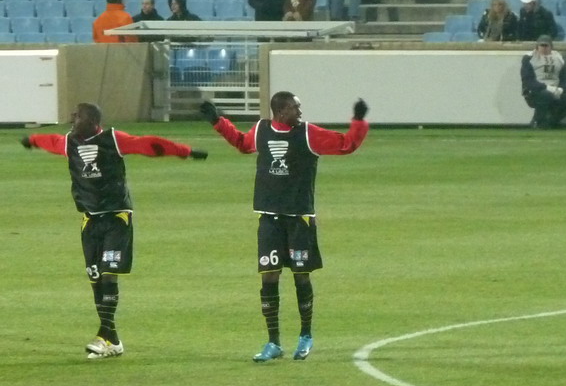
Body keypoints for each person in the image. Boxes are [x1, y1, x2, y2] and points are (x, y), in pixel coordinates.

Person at [20, 103, 208, 359]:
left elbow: (149, 144)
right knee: (96, 280)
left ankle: (103, 335)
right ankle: (112, 340)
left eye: (78, 115)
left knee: (109, 274)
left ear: (92, 121)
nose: (73, 118)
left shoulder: (112, 139)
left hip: (116, 216)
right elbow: (50, 141)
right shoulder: (69, 142)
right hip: (90, 220)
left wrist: (185, 151)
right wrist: (32, 140)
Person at [198, 93, 368, 362]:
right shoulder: (262, 130)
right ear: (280, 110)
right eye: (295, 107)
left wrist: (358, 121)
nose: (300, 112)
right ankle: (273, 342)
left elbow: (346, 145)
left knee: (301, 276)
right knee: (269, 277)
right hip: (269, 217)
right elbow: (242, 143)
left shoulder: (309, 133)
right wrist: (218, 121)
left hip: (299, 217)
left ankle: (305, 335)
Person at [520, 34, 566, 128]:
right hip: (534, 91)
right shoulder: (529, 58)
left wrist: (562, 89)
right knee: (546, 95)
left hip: (555, 89)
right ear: (537, 46)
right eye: (542, 46)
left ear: (551, 47)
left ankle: (553, 122)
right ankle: (537, 121)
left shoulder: (558, 58)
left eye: (546, 46)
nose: (544, 48)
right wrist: (546, 88)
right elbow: (527, 80)